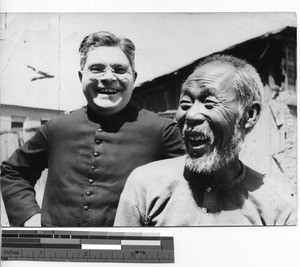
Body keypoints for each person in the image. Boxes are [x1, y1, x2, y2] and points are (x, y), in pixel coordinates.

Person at [0, 31, 184, 227]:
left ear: (134, 77)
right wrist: (29, 216)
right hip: (57, 251)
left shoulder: (162, 131)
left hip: (126, 252)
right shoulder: (57, 128)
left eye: (119, 70)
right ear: (81, 77)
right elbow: (13, 172)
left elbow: (193, 187)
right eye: (96, 69)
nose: (108, 78)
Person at [114, 54, 296, 226]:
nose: (191, 115)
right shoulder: (144, 185)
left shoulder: (280, 208)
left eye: (209, 104)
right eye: (185, 104)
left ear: (249, 115)